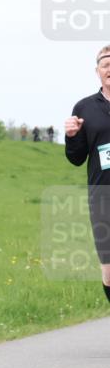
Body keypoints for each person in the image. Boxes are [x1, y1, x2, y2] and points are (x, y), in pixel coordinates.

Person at [64, 44, 110, 304]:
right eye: (106, 65)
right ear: (98, 71)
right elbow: (76, 158)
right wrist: (71, 137)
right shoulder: (84, 108)